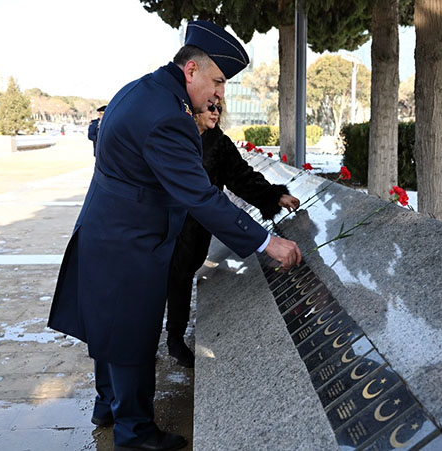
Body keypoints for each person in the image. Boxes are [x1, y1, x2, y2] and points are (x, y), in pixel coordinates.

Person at [47, 20, 301, 451]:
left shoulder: (143, 89)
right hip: (131, 239)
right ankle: (134, 432)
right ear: (191, 71)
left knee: (109, 325)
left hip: (107, 228)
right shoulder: (170, 116)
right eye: (218, 81)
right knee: (130, 336)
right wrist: (266, 242)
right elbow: (200, 197)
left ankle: (107, 404)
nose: (220, 94)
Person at [166, 99, 299, 368]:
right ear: (193, 109)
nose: (216, 112)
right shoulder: (173, 138)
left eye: (219, 108)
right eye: (210, 107)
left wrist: (275, 196)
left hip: (195, 232)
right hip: (165, 227)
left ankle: (175, 339)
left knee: (180, 281)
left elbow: (241, 177)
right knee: (153, 286)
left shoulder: (218, 143)